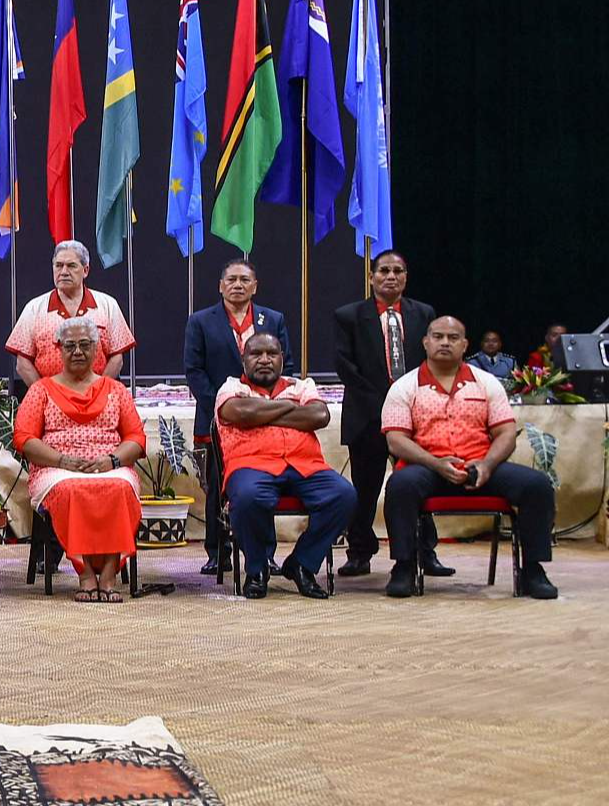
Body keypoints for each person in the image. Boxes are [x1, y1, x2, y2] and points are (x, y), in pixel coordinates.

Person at [380, 317, 559, 600]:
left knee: (536, 485)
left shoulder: (486, 383)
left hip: (480, 467)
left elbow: (506, 433)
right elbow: (396, 440)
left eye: (453, 338)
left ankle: (533, 570)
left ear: (464, 345)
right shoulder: (405, 386)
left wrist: (487, 465)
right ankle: (403, 566)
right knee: (400, 485)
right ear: (425, 343)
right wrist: (436, 463)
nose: (445, 343)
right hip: (428, 467)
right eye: (438, 337)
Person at [15, 317, 145, 603]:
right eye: (70, 345)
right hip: (56, 468)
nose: (77, 351)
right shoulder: (41, 390)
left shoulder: (116, 390)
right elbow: (24, 439)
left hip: (109, 464)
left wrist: (111, 461)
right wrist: (62, 461)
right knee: (72, 489)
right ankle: (85, 573)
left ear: (97, 349)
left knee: (120, 487)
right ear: (59, 349)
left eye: (85, 345)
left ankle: (109, 572)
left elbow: (136, 438)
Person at [215, 333, 355, 599]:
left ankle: (302, 563)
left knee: (344, 495)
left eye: (272, 354)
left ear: (282, 358)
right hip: (251, 464)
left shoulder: (301, 385)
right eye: (256, 354)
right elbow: (241, 414)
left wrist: (263, 412)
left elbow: (319, 415)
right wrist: (290, 410)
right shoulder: (231, 387)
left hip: (305, 465)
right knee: (248, 497)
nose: (265, 360)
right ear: (244, 360)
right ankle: (257, 570)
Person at [333, 250, 441, 578]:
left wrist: (410, 405)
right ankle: (359, 553)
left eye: (397, 271)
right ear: (371, 277)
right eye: (383, 271)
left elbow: (432, 361)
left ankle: (425, 552)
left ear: (405, 277)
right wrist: (388, 406)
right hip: (367, 417)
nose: (390, 276)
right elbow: (345, 366)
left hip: (416, 420)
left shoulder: (424, 314)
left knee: (417, 484)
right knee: (365, 489)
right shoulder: (348, 315)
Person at [184, 257, 290, 575]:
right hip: (217, 421)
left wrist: (264, 406)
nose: (238, 285)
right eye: (231, 280)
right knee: (218, 487)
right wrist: (222, 406)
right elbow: (194, 371)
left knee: (261, 486)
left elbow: (289, 365)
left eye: (245, 280)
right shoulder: (201, 321)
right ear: (220, 286)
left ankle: (265, 553)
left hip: (264, 417)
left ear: (255, 286)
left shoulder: (272, 319)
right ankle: (218, 552)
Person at [5, 240, 135, 383]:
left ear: (85, 270)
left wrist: (98, 393)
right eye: (59, 266)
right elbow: (22, 364)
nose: (64, 272)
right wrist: (44, 395)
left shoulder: (108, 305)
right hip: (50, 401)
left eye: (71, 266)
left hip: (98, 400)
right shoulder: (34, 308)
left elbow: (117, 359)